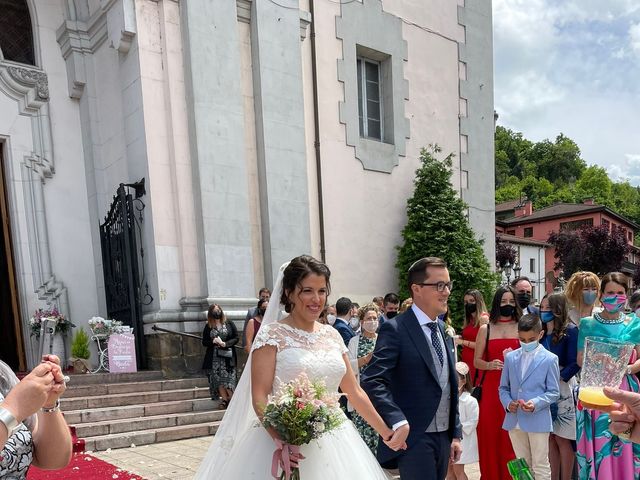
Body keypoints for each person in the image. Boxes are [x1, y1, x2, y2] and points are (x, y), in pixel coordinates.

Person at [194, 255, 401, 479]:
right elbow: (260, 395)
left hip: (336, 438)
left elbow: (354, 391)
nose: (316, 299)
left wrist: (386, 432)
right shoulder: (271, 335)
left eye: (322, 291)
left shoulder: (332, 335)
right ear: (289, 292)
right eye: (307, 291)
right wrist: (280, 439)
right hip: (282, 437)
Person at [362, 257, 462, 480]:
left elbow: (449, 383)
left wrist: (455, 433)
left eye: (448, 285)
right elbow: (372, 379)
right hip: (414, 437)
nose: (446, 292)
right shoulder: (395, 329)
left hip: (443, 436)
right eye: (439, 285)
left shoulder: (443, 329)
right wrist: (397, 419)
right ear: (416, 289)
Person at [576, 272, 640, 479]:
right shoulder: (587, 323)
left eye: (620, 293)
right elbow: (579, 359)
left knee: (627, 437)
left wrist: (625, 369)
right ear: (601, 295)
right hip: (596, 388)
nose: (615, 296)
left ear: (626, 295)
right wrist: (599, 361)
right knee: (601, 439)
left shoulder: (634, 323)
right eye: (610, 292)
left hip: (626, 388)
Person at [499, 313, 560, 480]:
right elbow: (503, 387)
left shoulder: (550, 359)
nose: (526, 343)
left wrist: (535, 403)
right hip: (514, 419)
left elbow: (554, 392)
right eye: (522, 339)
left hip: (538, 418)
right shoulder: (511, 358)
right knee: (521, 465)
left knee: (540, 464)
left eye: (531, 339)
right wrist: (507, 403)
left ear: (540, 335)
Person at [474, 286, 521, 480]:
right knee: (490, 436)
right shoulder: (486, 329)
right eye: (503, 302)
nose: (507, 305)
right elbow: (476, 361)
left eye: (511, 301)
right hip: (491, 391)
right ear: (496, 304)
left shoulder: (522, 326)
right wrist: (490, 364)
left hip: (516, 389)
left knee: (514, 440)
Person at [1, 355, 72, 477]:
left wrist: (49, 404)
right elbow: (15, 407)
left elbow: (53, 460)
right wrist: (13, 409)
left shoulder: (2, 373)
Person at [539, 293, 579, 480]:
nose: (544, 311)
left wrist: (558, 377)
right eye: (542, 307)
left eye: (548, 308)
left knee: (564, 438)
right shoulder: (539, 332)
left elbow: (575, 362)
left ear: (558, 309)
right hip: (542, 389)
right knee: (550, 437)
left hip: (563, 388)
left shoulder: (570, 330)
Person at [347, 303, 381, 454]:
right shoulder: (354, 342)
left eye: (375, 318)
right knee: (362, 440)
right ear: (362, 322)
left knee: (378, 437)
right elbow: (347, 367)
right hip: (360, 394)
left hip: (379, 396)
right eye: (369, 318)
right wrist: (364, 360)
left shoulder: (381, 340)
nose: (372, 321)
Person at [201, 304, 239, 408]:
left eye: (218, 310)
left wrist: (225, 344)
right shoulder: (208, 326)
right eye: (214, 311)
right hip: (214, 358)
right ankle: (225, 400)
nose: (217, 312)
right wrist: (213, 341)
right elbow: (204, 342)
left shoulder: (229, 323)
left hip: (227, 356)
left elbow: (236, 338)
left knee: (229, 380)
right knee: (218, 380)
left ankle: (233, 400)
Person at [447, 362, 479, 480]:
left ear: (464, 381)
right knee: (448, 471)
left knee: (458, 470)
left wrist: (456, 427)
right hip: (448, 438)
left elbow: (473, 421)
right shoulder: (447, 398)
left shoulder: (470, 400)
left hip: (462, 440)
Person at [455, 289, 489, 384]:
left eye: (471, 301)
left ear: (478, 302)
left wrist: (462, 342)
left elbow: (483, 346)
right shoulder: (469, 319)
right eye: (466, 302)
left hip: (477, 363)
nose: (468, 304)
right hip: (466, 361)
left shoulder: (483, 318)